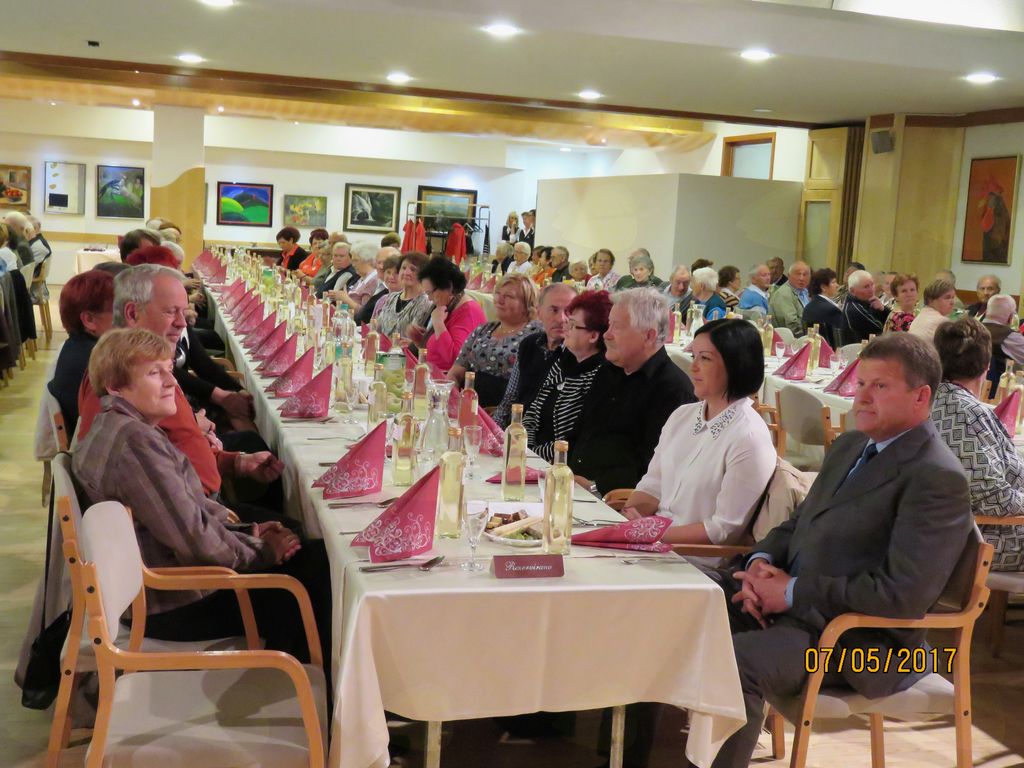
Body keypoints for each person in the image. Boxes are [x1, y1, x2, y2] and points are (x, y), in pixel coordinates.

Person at [703, 333, 972, 768]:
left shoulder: (936, 477)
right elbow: (798, 524)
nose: (860, 396)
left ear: (921, 396)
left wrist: (791, 592)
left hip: (859, 645)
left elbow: (902, 595)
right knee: (690, 598)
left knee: (734, 662)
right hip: (799, 614)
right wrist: (759, 565)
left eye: (879, 386)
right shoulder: (851, 445)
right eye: (860, 382)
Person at [72, 327, 332, 665]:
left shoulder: (118, 426)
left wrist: (249, 533)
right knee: (317, 573)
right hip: (171, 601)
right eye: (154, 373)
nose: (171, 382)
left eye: (169, 369)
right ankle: (307, 687)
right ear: (115, 386)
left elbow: (188, 513)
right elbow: (194, 538)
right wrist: (263, 551)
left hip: (159, 587)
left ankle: (297, 677)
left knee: (309, 557)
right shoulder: (134, 442)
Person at [77, 266, 284, 518]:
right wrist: (248, 534)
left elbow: (175, 451)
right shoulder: (119, 381)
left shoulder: (150, 368)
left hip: (203, 505)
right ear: (132, 313)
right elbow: (151, 502)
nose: (182, 323)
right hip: (196, 517)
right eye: (170, 311)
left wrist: (236, 462)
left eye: (183, 312)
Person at [622, 318, 775, 545]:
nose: (693, 367)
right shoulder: (682, 416)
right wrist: (627, 519)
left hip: (693, 557)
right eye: (693, 356)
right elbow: (652, 485)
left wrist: (651, 533)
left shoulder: (749, 437)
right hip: (652, 543)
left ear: (736, 364)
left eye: (705, 358)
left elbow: (723, 530)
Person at [568, 288, 696, 495]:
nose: (607, 334)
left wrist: (595, 487)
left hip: (615, 502)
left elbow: (652, 470)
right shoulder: (607, 371)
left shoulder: (673, 389)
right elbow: (579, 433)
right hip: (573, 487)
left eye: (617, 327)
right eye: (609, 324)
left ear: (649, 336)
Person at [932, 318, 1024, 572]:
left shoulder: (935, 398)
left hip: (959, 533)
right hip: (984, 541)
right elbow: (994, 499)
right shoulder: (965, 412)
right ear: (986, 365)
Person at [523, 291, 611, 462]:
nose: (565, 328)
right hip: (532, 456)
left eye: (572, 325)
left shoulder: (599, 376)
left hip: (560, 465)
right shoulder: (564, 361)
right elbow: (533, 411)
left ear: (593, 336)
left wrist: (534, 456)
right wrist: (525, 446)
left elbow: (571, 442)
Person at [448, 274, 540, 406]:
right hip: (469, 406)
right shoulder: (483, 330)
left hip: (508, 410)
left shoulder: (536, 334)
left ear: (527, 303)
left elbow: (532, 389)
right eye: (497, 294)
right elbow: (456, 373)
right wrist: (453, 400)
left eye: (509, 296)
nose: (499, 300)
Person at [493, 283, 576, 427]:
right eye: (554, 310)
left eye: (569, 311)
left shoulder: (577, 354)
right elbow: (509, 399)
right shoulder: (529, 344)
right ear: (539, 312)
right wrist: (494, 431)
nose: (562, 319)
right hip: (516, 429)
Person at [48, 270, 115, 436]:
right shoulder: (100, 363)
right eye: (118, 310)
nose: (128, 318)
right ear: (89, 320)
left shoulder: (71, 347)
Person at [408, 256, 487, 373]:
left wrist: (438, 324)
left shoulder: (469, 311)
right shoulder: (448, 305)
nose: (429, 298)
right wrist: (419, 340)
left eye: (430, 293)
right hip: (432, 374)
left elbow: (455, 360)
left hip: (447, 380)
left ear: (448, 287)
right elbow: (437, 351)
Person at [373, 251, 431, 337]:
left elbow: (413, 338)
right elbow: (378, 328)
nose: (406, 273)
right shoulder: (392, 297)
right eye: (403, 268)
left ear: (423, 275)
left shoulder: (425, 303)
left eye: (413, 269)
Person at [981, 294, 1024, 395]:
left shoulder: (970, 329)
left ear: (986, 311)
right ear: (1011, 317)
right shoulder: (1009, 337)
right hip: (998, 392)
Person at [801, 267, 846, 348]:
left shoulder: (808, 306)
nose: (837, 285)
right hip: (830, 352)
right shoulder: (832, 310)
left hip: (811, 350)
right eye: (833, 282)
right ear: (823, 287)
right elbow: (840, 340)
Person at [327, 241, 380, 309]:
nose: (353, 264)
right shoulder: (361, 278)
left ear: (367, 261)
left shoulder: (372, 281)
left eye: (356, 260)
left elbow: (364, 312)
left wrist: (345, 299)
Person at [842, 269, 889, 342]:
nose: (871, 290)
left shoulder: (865, 302)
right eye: (866, 287)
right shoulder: (855, 309)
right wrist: (882, 311)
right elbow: (883, 329)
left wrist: (883, 309)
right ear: (852, 291)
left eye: (872, 284)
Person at [768, 261, 811, 337]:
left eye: (805, 274)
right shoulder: (784, 294)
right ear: (789, 276)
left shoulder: (805, 292)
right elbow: (792, 325)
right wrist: (808, 338)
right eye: (798, 274)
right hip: (789, 339)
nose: (801, 278)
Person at [908, 278, 956, 344]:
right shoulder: (942, 321)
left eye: (953, 297)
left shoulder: (921, 315)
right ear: (931, 300)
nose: (952, 302)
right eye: (947, 298)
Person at [359, 253, 401, 325]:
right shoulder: (382, 299)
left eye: (396, 273)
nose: (391, 277)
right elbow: (372, 325)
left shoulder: (404, 300)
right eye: (388, 272)